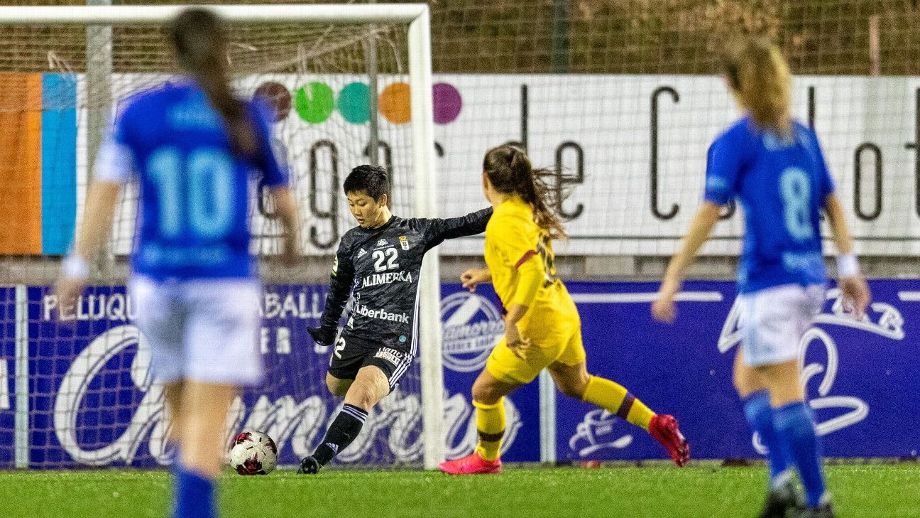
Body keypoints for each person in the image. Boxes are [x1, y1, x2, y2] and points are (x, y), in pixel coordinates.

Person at [54, 8, 300, 518]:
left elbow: (104, 194)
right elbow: (286, 204)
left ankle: (186, 476)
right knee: (205, 430)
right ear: (224, 50)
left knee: (183, 418)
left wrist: (76, 268)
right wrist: (291, 246)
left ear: (172, 52)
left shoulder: (140, 113)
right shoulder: (245, 115)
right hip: (223, 284)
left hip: (157, 285)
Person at [651, 37, 870, 518]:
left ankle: (818, 501)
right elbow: (833, 203)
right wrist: (848, 268)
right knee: (748, 375)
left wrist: (673, 276)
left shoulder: (739, 140)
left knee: (786, 388)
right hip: (809, 278)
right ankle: (781, 482)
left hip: (772, 281)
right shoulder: (803, 137)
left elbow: (709, 212)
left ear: (733, 84)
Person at [438, 144, 689, 476]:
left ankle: (486, 458)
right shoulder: (528, 209)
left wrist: (512, 321)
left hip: (536, 325)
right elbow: (527, 264)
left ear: (485, 180)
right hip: (562, 314)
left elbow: (531, 272)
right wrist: (486, 274)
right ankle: (655, 422)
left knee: (483, 391)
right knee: (577, 384)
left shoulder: (503, 221)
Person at [298, 164, 492, 474]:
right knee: (334, 386)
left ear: (382, 200)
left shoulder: (414, 232)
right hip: (357, 332)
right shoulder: (350, 242)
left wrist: (507, 209)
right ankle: (354, 400)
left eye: (362, 203)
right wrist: (328, 327)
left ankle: (318, 457)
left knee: (362, 393)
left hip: (394, 339)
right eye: (351, 203)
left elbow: (463, 223)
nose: (356, 211)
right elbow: (339, 289)